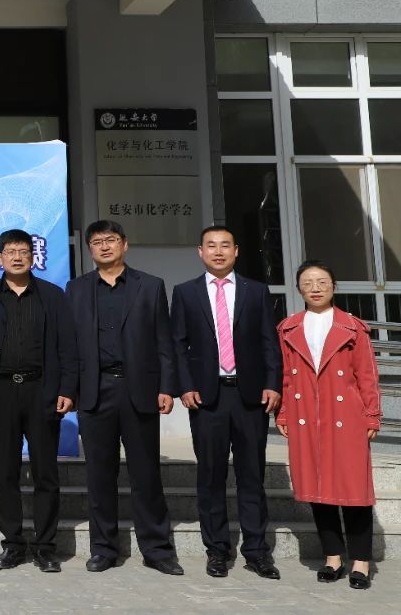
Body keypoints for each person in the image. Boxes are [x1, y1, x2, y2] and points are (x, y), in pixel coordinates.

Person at [65, 220, 182, 576]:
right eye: (97, 242)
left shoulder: (150, 286)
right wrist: (69, 390)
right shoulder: (77, 289)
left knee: (146, 474)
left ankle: (157, 550)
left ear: (124, 244)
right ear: (89, 249)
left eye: (111, 240)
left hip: (139, 390)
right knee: (100, 475)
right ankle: (103, 549)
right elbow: (69, 346)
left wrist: (167, 387)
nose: (104, 246)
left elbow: (164, 341)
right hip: (95, 391)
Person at [171, 226, 281, 580]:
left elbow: (269, 341)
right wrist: (184, 386)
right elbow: (177, 345)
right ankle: (217, 551)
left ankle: (257, 551)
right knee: (211, 476)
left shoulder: (256, 291)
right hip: (207, 397)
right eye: (211, 246)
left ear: (236, 250)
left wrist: (273, 384)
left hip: (250, 395)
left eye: (225, 245)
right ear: (200, 252)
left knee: (252, 476)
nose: (218, 252)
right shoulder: (185, 292)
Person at [0, 229, 77, 574]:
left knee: (46, 473)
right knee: (6, 473)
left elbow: (67, 346)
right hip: (1, 393)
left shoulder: (52, 295)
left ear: (33, 256)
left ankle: (45, 547)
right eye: (10, 251)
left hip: (42, 391)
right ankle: (13, 544)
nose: (17, 257)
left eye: (23, 251)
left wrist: (67, 389)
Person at [275, 261, 382, 591]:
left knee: (354, 489)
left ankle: (361, 561)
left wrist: (372, 414)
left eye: (322, 281)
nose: (316, 288)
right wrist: (283, 413)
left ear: (334, 286)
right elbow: (285, 377)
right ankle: (332, 557)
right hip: (306, 414)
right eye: (308, 282)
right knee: (318, 488)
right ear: (299, 289)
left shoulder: (353, 327)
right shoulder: (288, 328)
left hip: (347, 414)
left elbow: (367, 375)